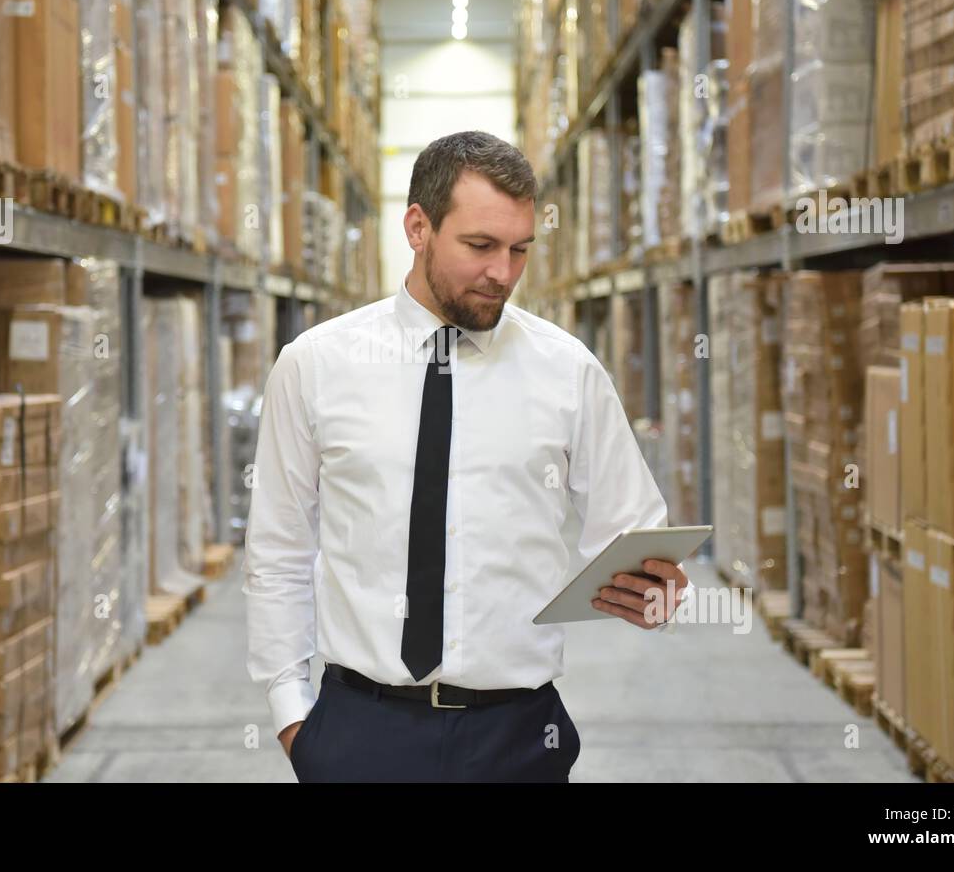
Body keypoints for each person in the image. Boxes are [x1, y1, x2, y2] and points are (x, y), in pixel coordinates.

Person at [243, 130, 685, 782]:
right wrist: (294, 721)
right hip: (360, 730)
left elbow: (633, 534)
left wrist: (654, 589)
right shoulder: (315, 366)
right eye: (480, 246)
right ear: (418, 227)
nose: (501, 272)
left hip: (518, 734)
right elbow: (277, 549)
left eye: (519, 250)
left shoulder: (567, 371)